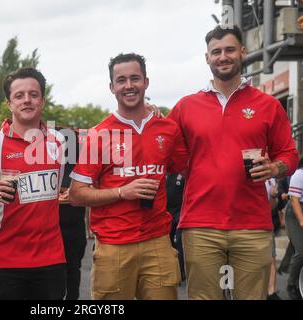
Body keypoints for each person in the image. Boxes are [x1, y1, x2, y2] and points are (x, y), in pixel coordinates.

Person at [168, 25, 299, 300]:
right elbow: (167, 155)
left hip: (252, 224)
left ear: (243, 52)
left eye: (229, 50)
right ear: (207, 58)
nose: (222, 57)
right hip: (200, 224)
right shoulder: (185, 107)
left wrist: (275, 168)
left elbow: (289, 153)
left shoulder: (267, 104)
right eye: (215, 52)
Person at [69, 53, 189, 300]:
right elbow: (76, 195)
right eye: (121, 80)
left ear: (146, 82)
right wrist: (123, 192)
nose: (129, 85)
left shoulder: (167, 129)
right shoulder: (98, 134)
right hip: (114, 245)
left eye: (135, 78)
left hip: (158, 241)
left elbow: (188, 170)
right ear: (112, 87)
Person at [0, 67, 67, 300]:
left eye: (33, 94)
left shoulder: (62, 140)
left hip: (50, 260)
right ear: (9, 103)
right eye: (19, 96)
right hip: (3, 261)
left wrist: (147, 113)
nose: (27, 100)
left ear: (42, 100)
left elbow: (104, 141)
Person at [58, 128, 87, 300]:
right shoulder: (48, 162)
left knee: (72, 271)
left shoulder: (80, 165)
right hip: (55, 227)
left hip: (73, 226)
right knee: (64, 273)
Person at [285, 156, 303, 300]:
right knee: (302, 250)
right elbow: (294, 200)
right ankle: (291, 284)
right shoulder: (299, 174)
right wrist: (302, 221)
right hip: (295, 212)